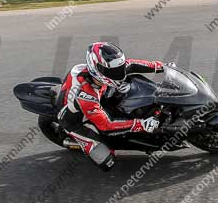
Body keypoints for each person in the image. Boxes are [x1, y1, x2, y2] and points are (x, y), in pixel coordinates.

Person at [57, 42, 164, 171]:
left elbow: (132, 64)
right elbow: (107, 125)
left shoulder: (104, 73)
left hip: (95, 99)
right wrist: (141, 124)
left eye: (119, 67)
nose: (120, 72)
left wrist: (162, 67)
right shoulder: (86, 95)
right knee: (108, 162)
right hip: (75, 121)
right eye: (114, 70)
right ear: (98, 69)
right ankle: (82, 143)